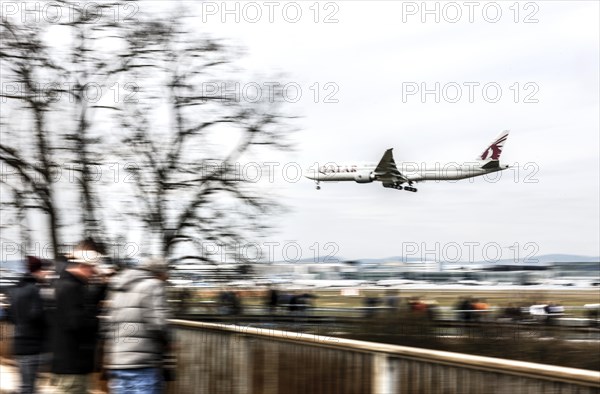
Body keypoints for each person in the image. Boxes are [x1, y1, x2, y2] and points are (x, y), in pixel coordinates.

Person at [104, 257, 172, 394]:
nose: (167, 277)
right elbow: (158, 323)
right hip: (143, 363)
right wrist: (168, 341)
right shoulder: (154, 285)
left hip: (119, 363)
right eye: (166, 273)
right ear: (160, 273)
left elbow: (109, 325)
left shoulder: (119, 287)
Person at [52, 249, 106, 394]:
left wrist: (101, 288)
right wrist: (96, 320)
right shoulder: (72, 288)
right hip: (73, 363)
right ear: (83, 267)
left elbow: (80, 310)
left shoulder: (66, 285)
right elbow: (77, 322)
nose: (94, 273)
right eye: (92, 269)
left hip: (70, 361)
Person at [7, 256, 50, 394]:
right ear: (39, 270)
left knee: (26, 385)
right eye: (45, 271)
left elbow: (10, 316)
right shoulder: (34, 290)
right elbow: (36, 315)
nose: (47, 274)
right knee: (29, 387)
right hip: (33, 345)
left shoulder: (15, 290)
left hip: (19, 344)